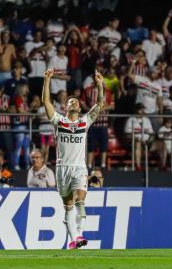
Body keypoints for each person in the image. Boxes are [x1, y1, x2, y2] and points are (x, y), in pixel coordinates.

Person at [42, 68, 104, 249]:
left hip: (79, 168)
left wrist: (100, 85)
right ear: (66, 107)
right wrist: (47, 80)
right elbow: (46, 101)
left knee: (80, 200)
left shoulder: (85, 122)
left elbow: (100, 105)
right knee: (68, 206)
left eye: (77, 102)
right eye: (71, 102)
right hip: (62, 169)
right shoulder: (58, 121)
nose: (75, 103)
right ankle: (74, 239)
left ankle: (79, 236)